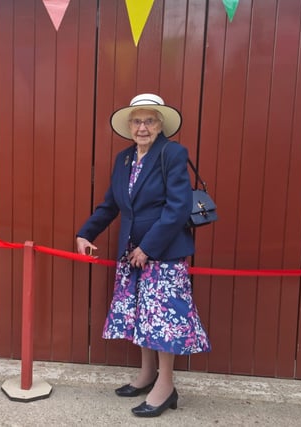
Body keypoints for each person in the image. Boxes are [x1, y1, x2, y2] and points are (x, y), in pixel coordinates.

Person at [76, 93, 210, 418]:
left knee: (163, 322)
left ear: (160, 124)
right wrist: (85, 233)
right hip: (132, 256)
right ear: (129, 125)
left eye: (149, 120)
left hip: (162, 256)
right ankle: (147, 375)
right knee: (142, 317)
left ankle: (166, 386)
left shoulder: (172, 154)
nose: (142, 127)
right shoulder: (124, 159)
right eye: (137, 121)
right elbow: (111, 205)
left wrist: (148, 248)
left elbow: (177, 208)